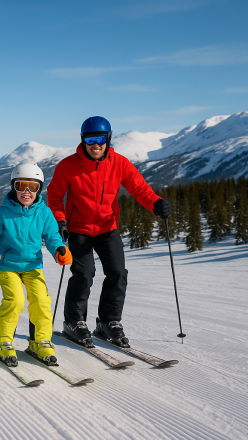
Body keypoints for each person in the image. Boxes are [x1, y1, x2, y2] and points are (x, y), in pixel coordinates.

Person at [46, 116, 172, 349]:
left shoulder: (120, 163)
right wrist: (60, 220)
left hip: (107, 227)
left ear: (108, 139)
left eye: (100, 139)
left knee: (117, 272)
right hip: (77, 228)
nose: (96, 144)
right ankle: (74, 322)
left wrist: (155, 203)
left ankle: (108, 322)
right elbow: (54, 195)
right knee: (84, 273)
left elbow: (139, 188)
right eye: (90, 139)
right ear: (83, 140)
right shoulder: (68, 165)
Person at [0, 163, 71, 367]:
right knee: (15, 300)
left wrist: (59, 250)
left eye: (33, 186)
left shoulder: (44, 213)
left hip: (32, 266)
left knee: (41, 300)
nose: (27, 192)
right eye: (22, 186)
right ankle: (2, 342)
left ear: (39, 188)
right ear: (14, 187)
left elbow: (52, 236)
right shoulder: (2, 213)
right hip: (7, 265)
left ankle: (40, 341)